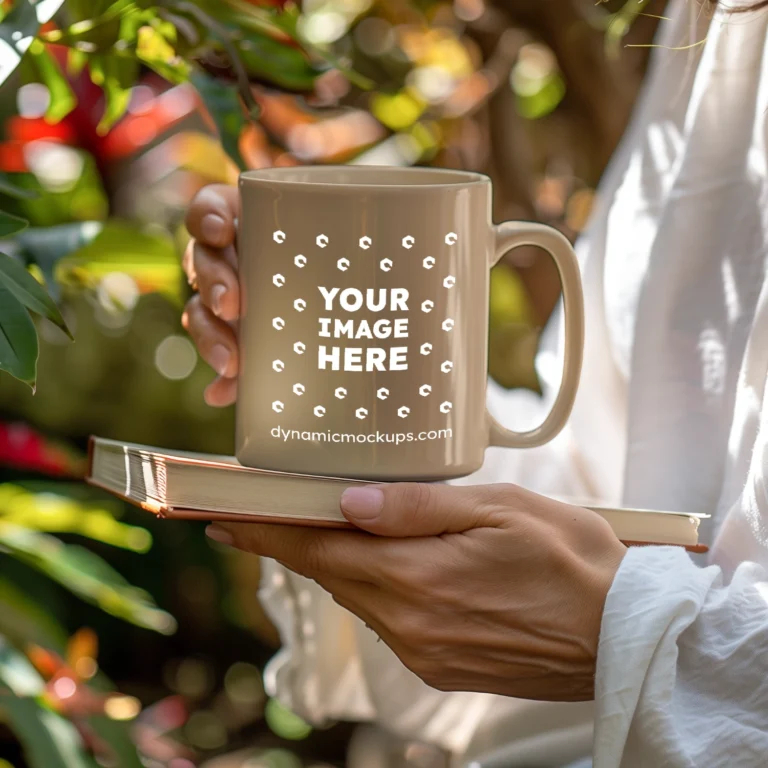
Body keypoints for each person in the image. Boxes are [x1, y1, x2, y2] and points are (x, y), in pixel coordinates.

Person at [181, 1, 768, 765]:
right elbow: (625, 490)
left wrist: (628, 635)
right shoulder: (715, 28)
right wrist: (339, 381)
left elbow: (645, 588)